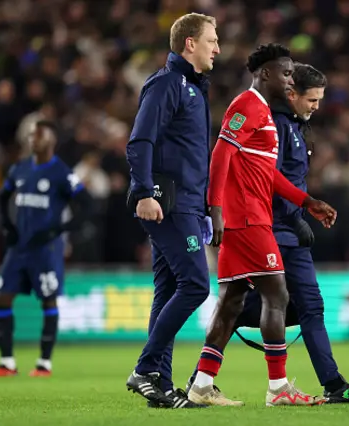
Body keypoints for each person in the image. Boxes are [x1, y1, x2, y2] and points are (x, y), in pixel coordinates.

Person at [185, 62, 349, 403]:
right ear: (291, 94)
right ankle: (285, 387)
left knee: (250, 303)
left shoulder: (289, 125)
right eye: (312, 100)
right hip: (264, 227)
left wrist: (306, 204)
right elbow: (254, 175)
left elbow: (271, 177)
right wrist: (293, 216)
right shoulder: (266, 119)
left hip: (273, 226)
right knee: (285, 302)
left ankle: (202, 380)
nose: (316, 107)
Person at [124, 12, 220, 409]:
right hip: (167, 204)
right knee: (197, 284)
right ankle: (146, 368)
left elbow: (192, 156)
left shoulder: (194, 88)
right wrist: (143, 192)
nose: (218, 48)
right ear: (190, 44)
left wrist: (205, 211)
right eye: (212, 40)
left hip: (187, 206)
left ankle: (159, 384)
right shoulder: (167, 83)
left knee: (167, 291)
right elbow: (140, 141)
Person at [0, 120, 92, 378]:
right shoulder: (20, 169)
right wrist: (7, 225)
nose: (33, 139)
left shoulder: (62, 173)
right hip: (18, 248)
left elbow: (87, 204)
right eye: (32, 135)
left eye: (39, 135)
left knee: (48, 300)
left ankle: (44, 363)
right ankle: (6, 362)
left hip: (46, 250)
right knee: (2, 297)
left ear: (51, 140)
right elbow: (1, 197)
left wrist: (59, 230)